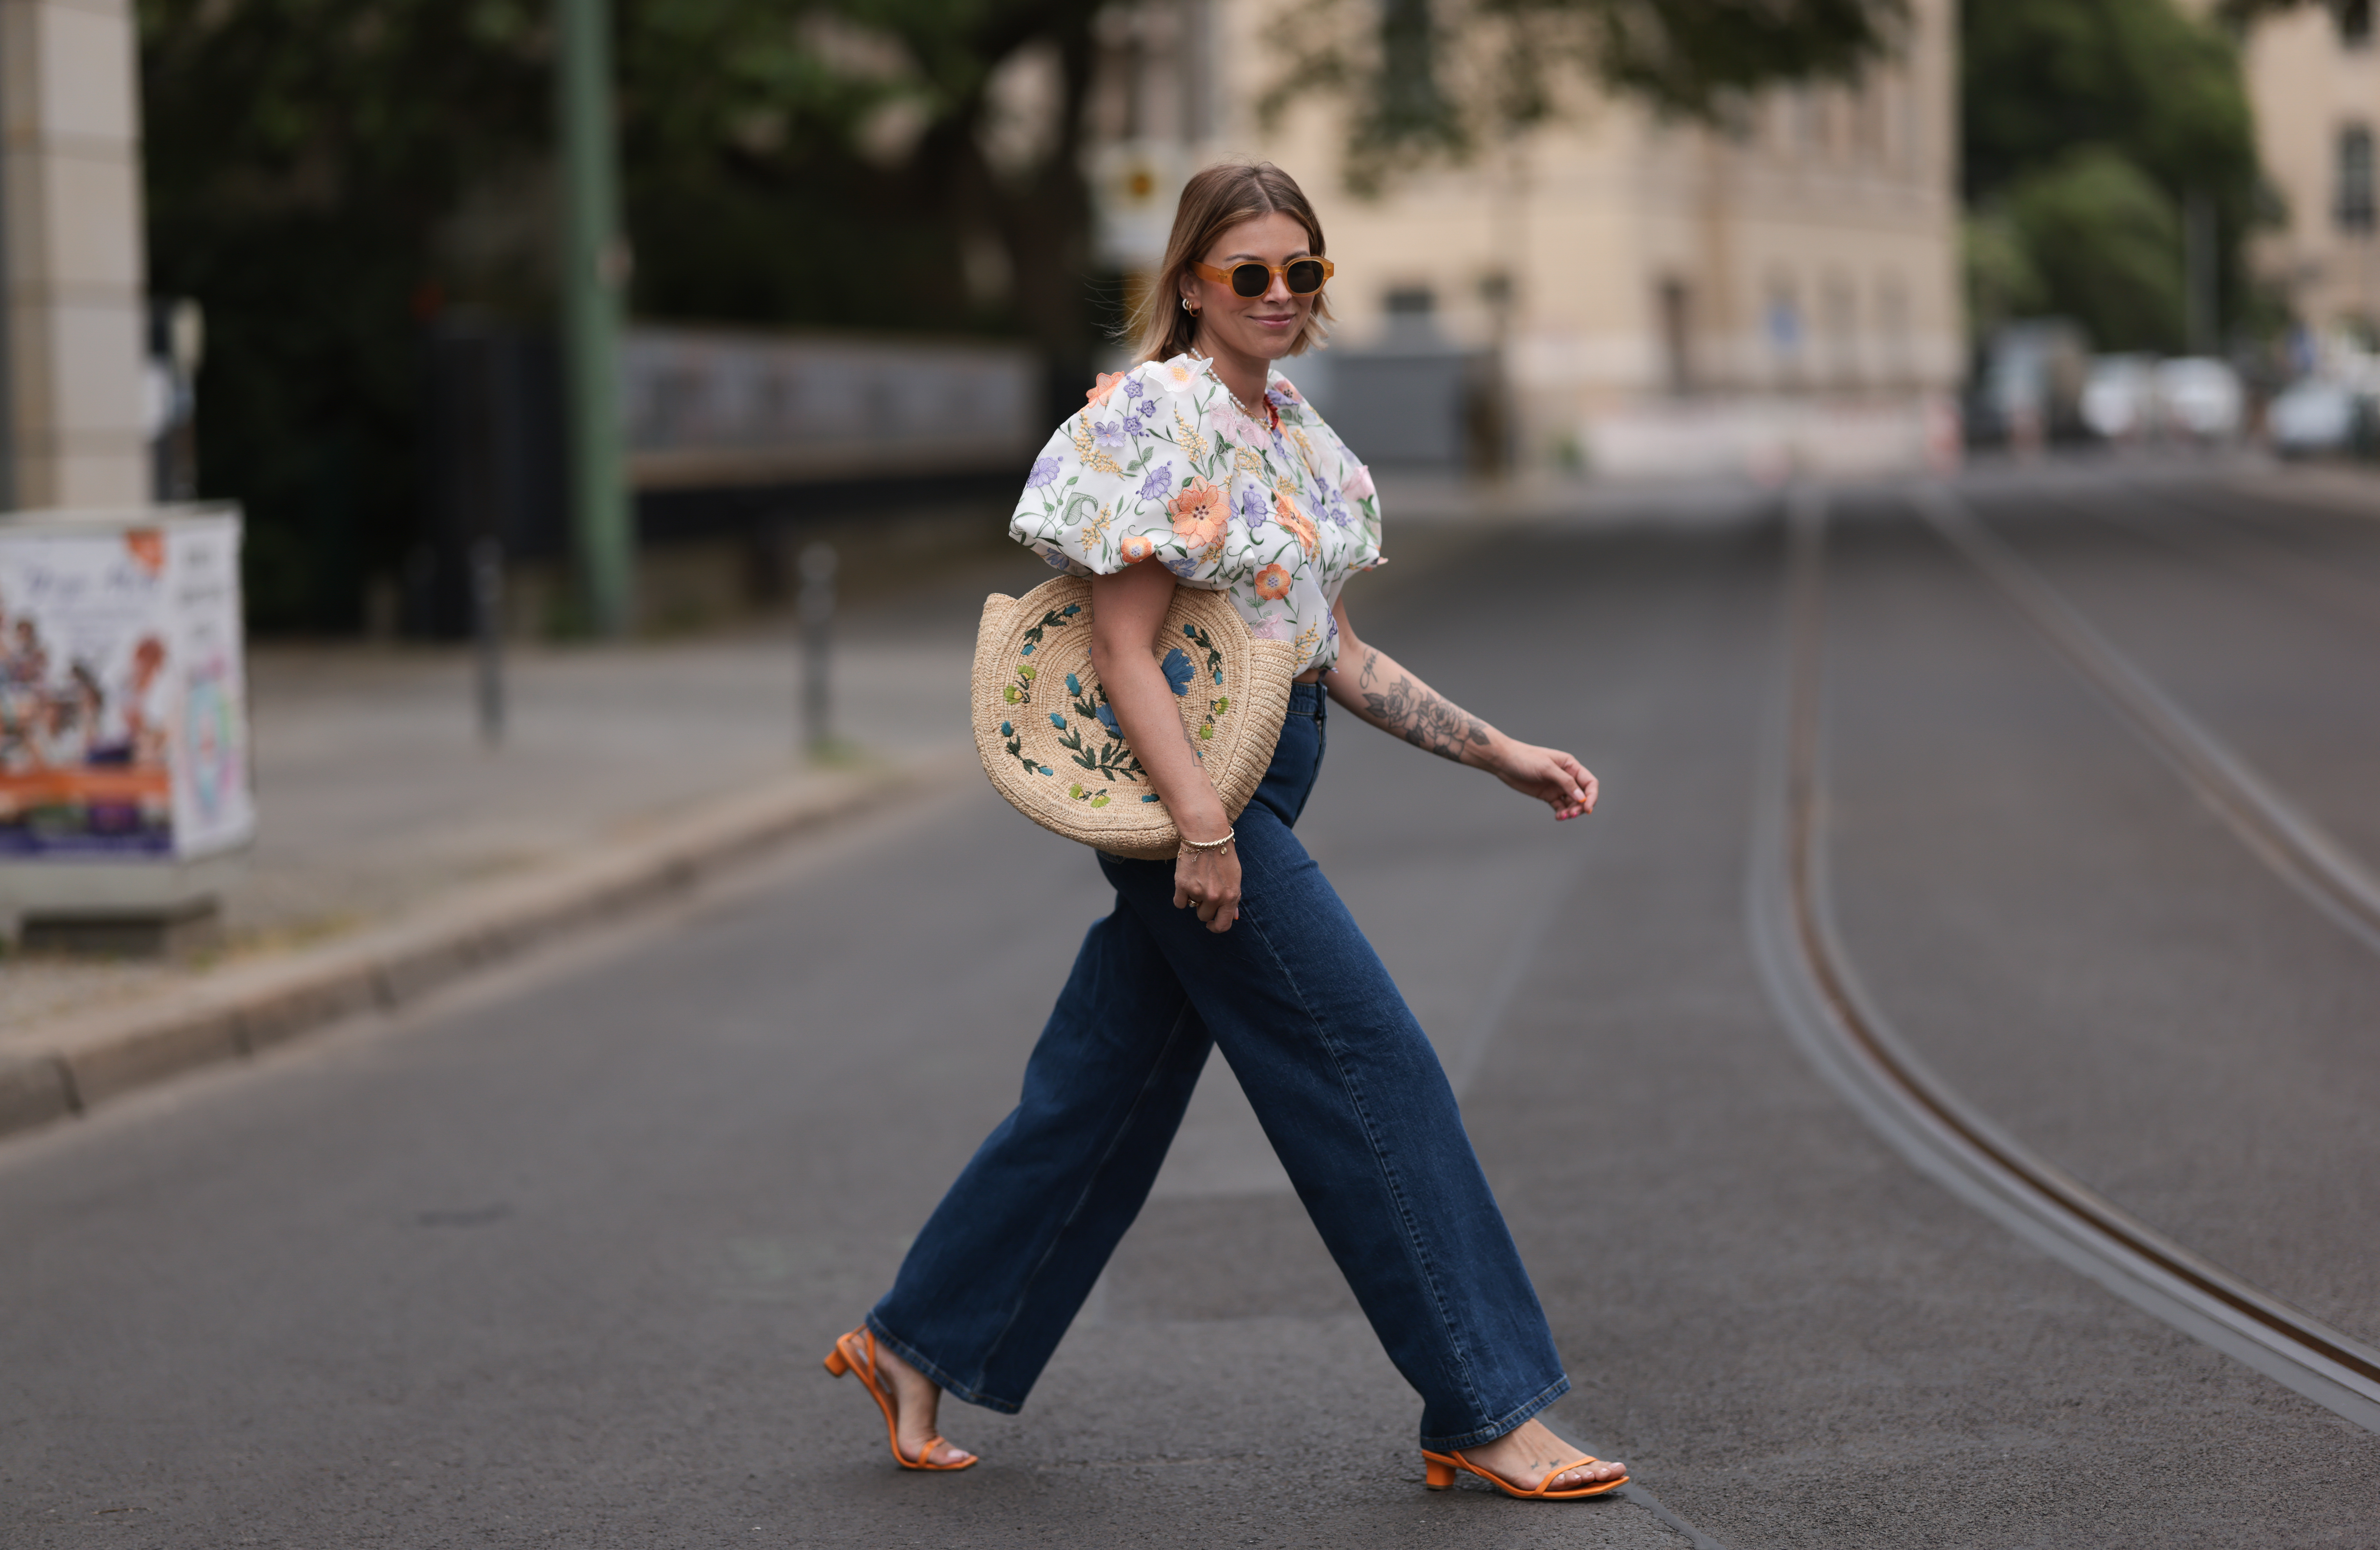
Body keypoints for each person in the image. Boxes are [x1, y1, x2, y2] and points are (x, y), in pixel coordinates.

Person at [826, 161, 1627, 1502]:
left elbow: (1341, 655)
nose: (1274, 295)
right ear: (1190, 281)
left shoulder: (1297, 435)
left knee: (1106, 1084)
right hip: (1196, 805)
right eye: (1245, 272)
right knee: (1371, 1066)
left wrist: (1499, 754)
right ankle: (1482, 1403)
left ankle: (914, 1340)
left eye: (1298, 273)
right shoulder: (1160, 416)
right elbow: (1120, 643)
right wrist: (1201, 828)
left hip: (1250, 789)